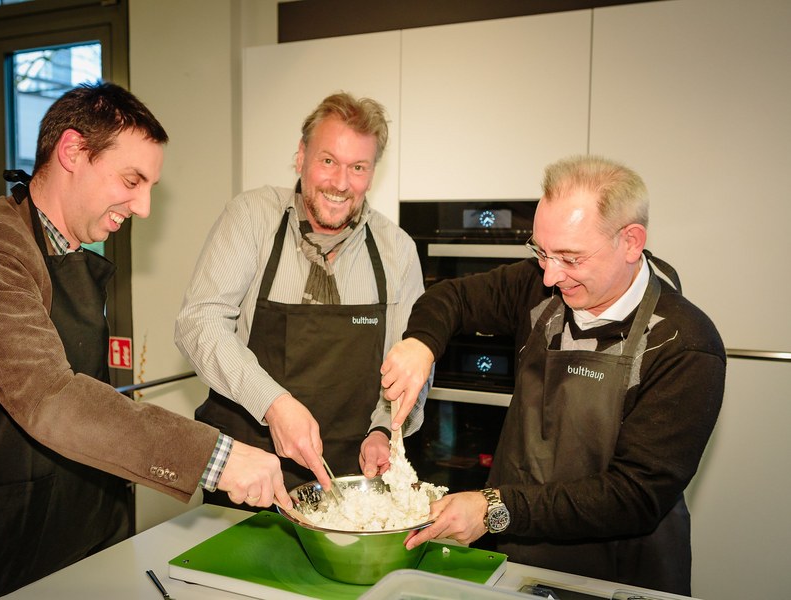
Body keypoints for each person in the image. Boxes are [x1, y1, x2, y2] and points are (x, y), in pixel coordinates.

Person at [0, 82, 290, 600]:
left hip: (74, 519)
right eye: (132, 180)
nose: (144, 206)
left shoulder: (69, 252)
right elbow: (51, 397)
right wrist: (219, 457)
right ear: (73, 151)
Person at [380, 155, 725, 595]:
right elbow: (452, 297)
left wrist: (494, 507)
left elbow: (633, 495)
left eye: (570, 258)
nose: (549, 274)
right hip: (519, 562)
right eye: (541, 251)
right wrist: (421, 344)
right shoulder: (538, 288)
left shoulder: (684, 343)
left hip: (618, 577)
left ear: (631, 242)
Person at [174, 92, 429, 499]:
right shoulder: (252, 217)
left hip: (348, 486)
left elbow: (412, 363)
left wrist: (384, 430)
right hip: (249, 478)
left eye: (358, 167)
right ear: (301, 156)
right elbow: (199, 323)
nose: (341, 183)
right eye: (328, 161)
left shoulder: (396, 250)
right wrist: (272, 402)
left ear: (372, 173)